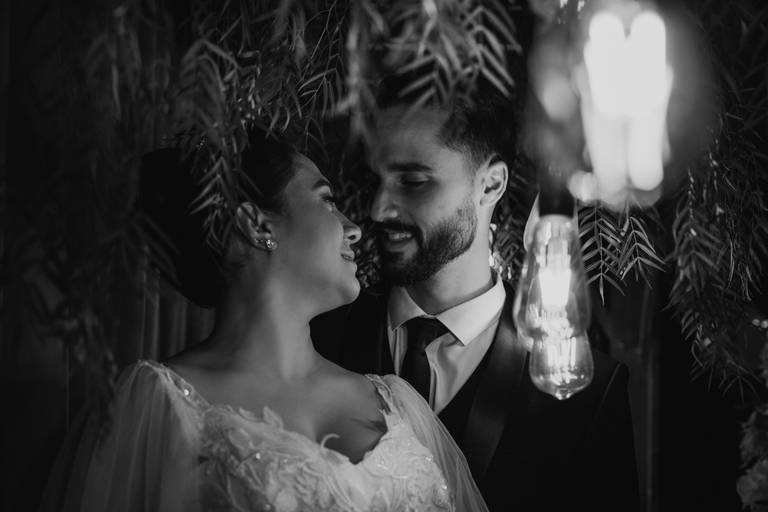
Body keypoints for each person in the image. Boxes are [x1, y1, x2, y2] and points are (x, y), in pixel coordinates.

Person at [40, 130, 488, 512]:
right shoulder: (159, 405)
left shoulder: (399, 404)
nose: (354, 227)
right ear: (256, 224)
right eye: (327, 201)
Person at [311, 80, 640, 511]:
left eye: (413, 181)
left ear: (490, 185)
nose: (378, 208)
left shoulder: (586, 394)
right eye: (378, 180)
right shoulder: (319, 338)